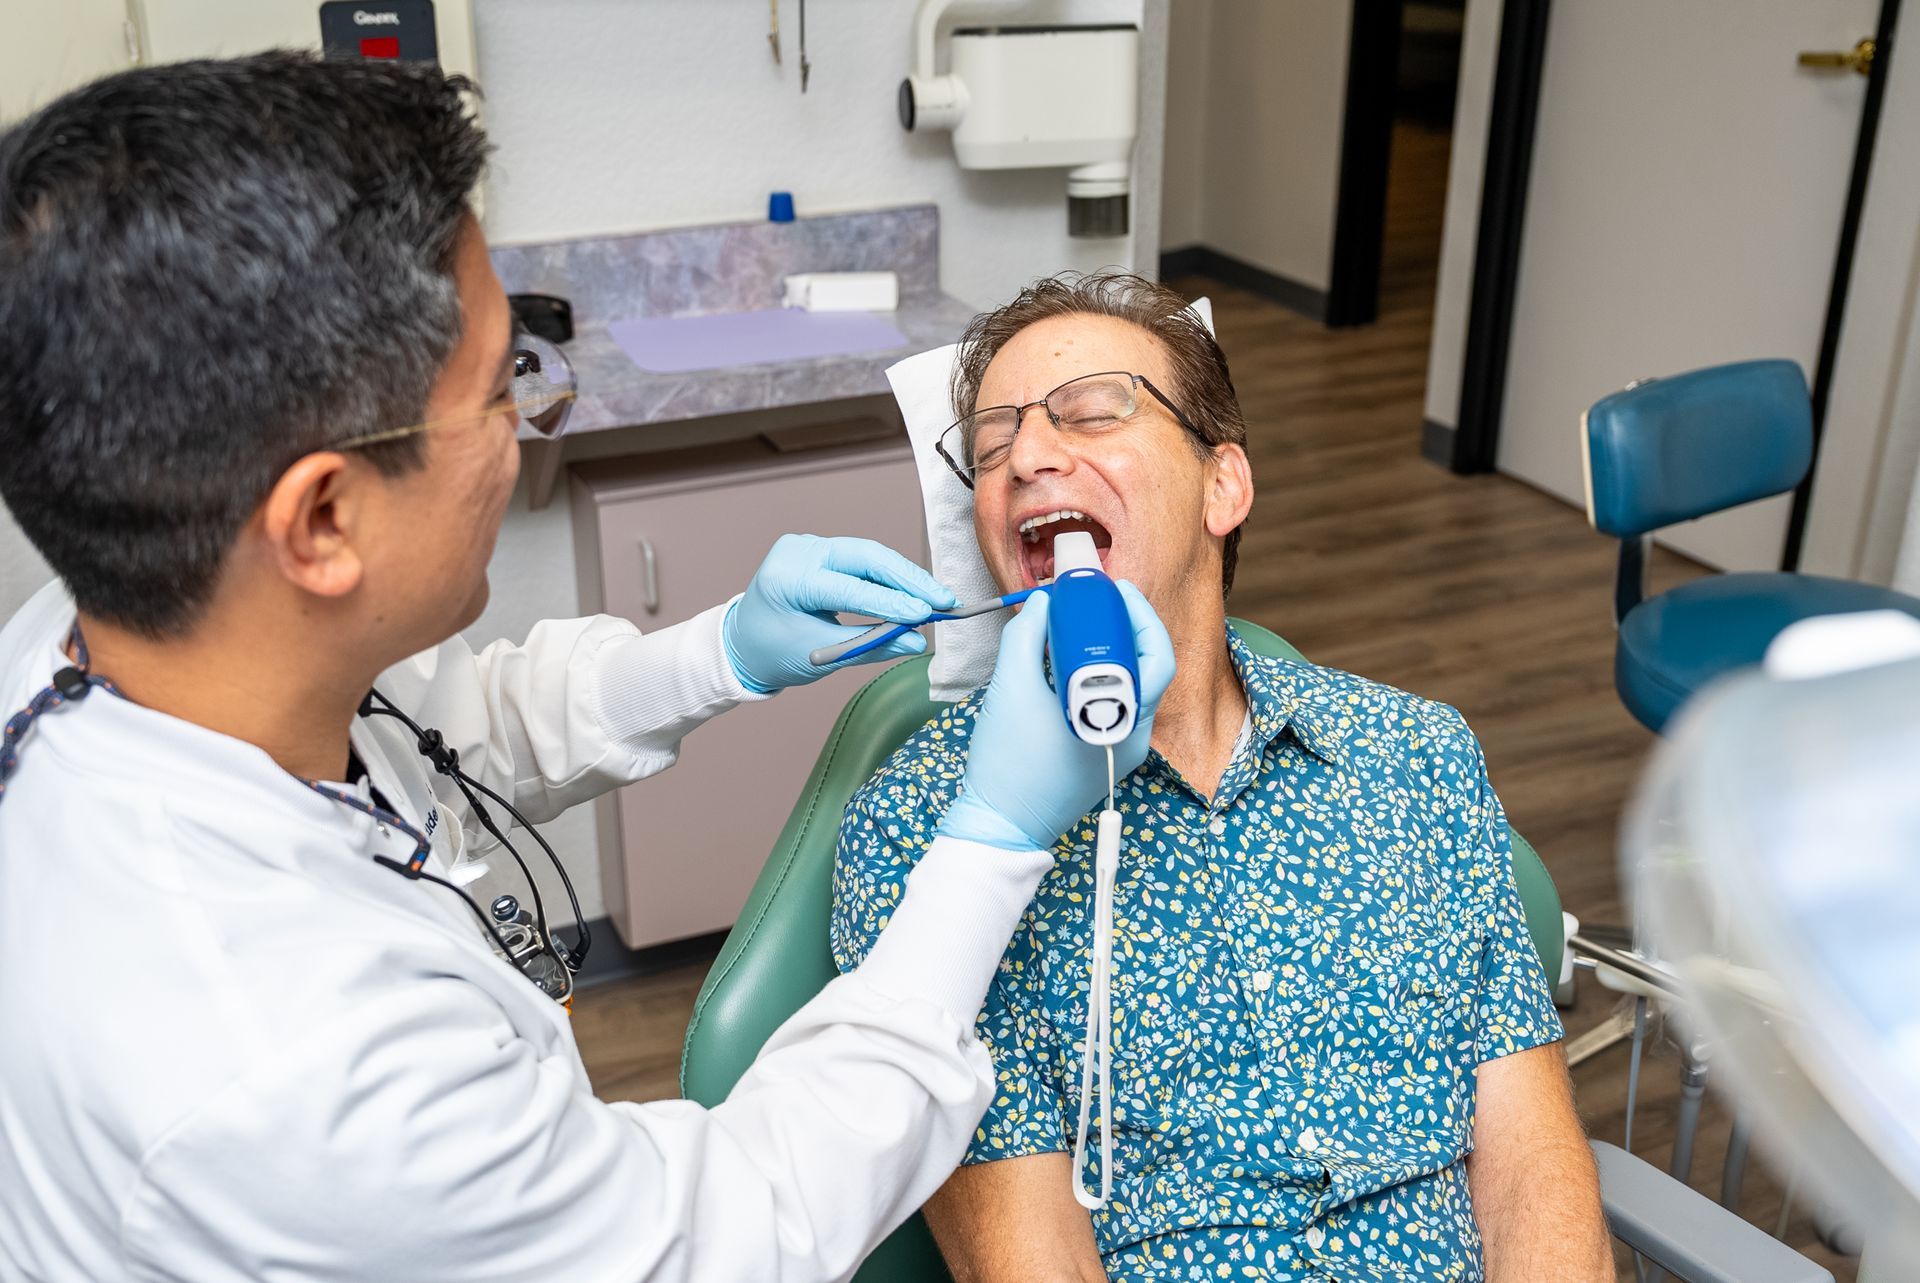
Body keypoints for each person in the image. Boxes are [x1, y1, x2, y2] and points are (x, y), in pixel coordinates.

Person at [0, 56, 1174, 1282]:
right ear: (322, 522)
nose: (526, 423)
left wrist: (717, 651)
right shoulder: (299, 1066)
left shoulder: (102, 642)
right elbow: (732, 1228)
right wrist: (993, 836)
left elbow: (443, 731)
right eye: (503, 387)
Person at [832, 273, 1614, 1281]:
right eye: (991, 448)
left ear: (1223, 485)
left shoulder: (1414, 756)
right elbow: (1028, 1263)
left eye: (1092, 411)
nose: (1025, 456)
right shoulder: (932, 832)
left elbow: (1532, 1171)